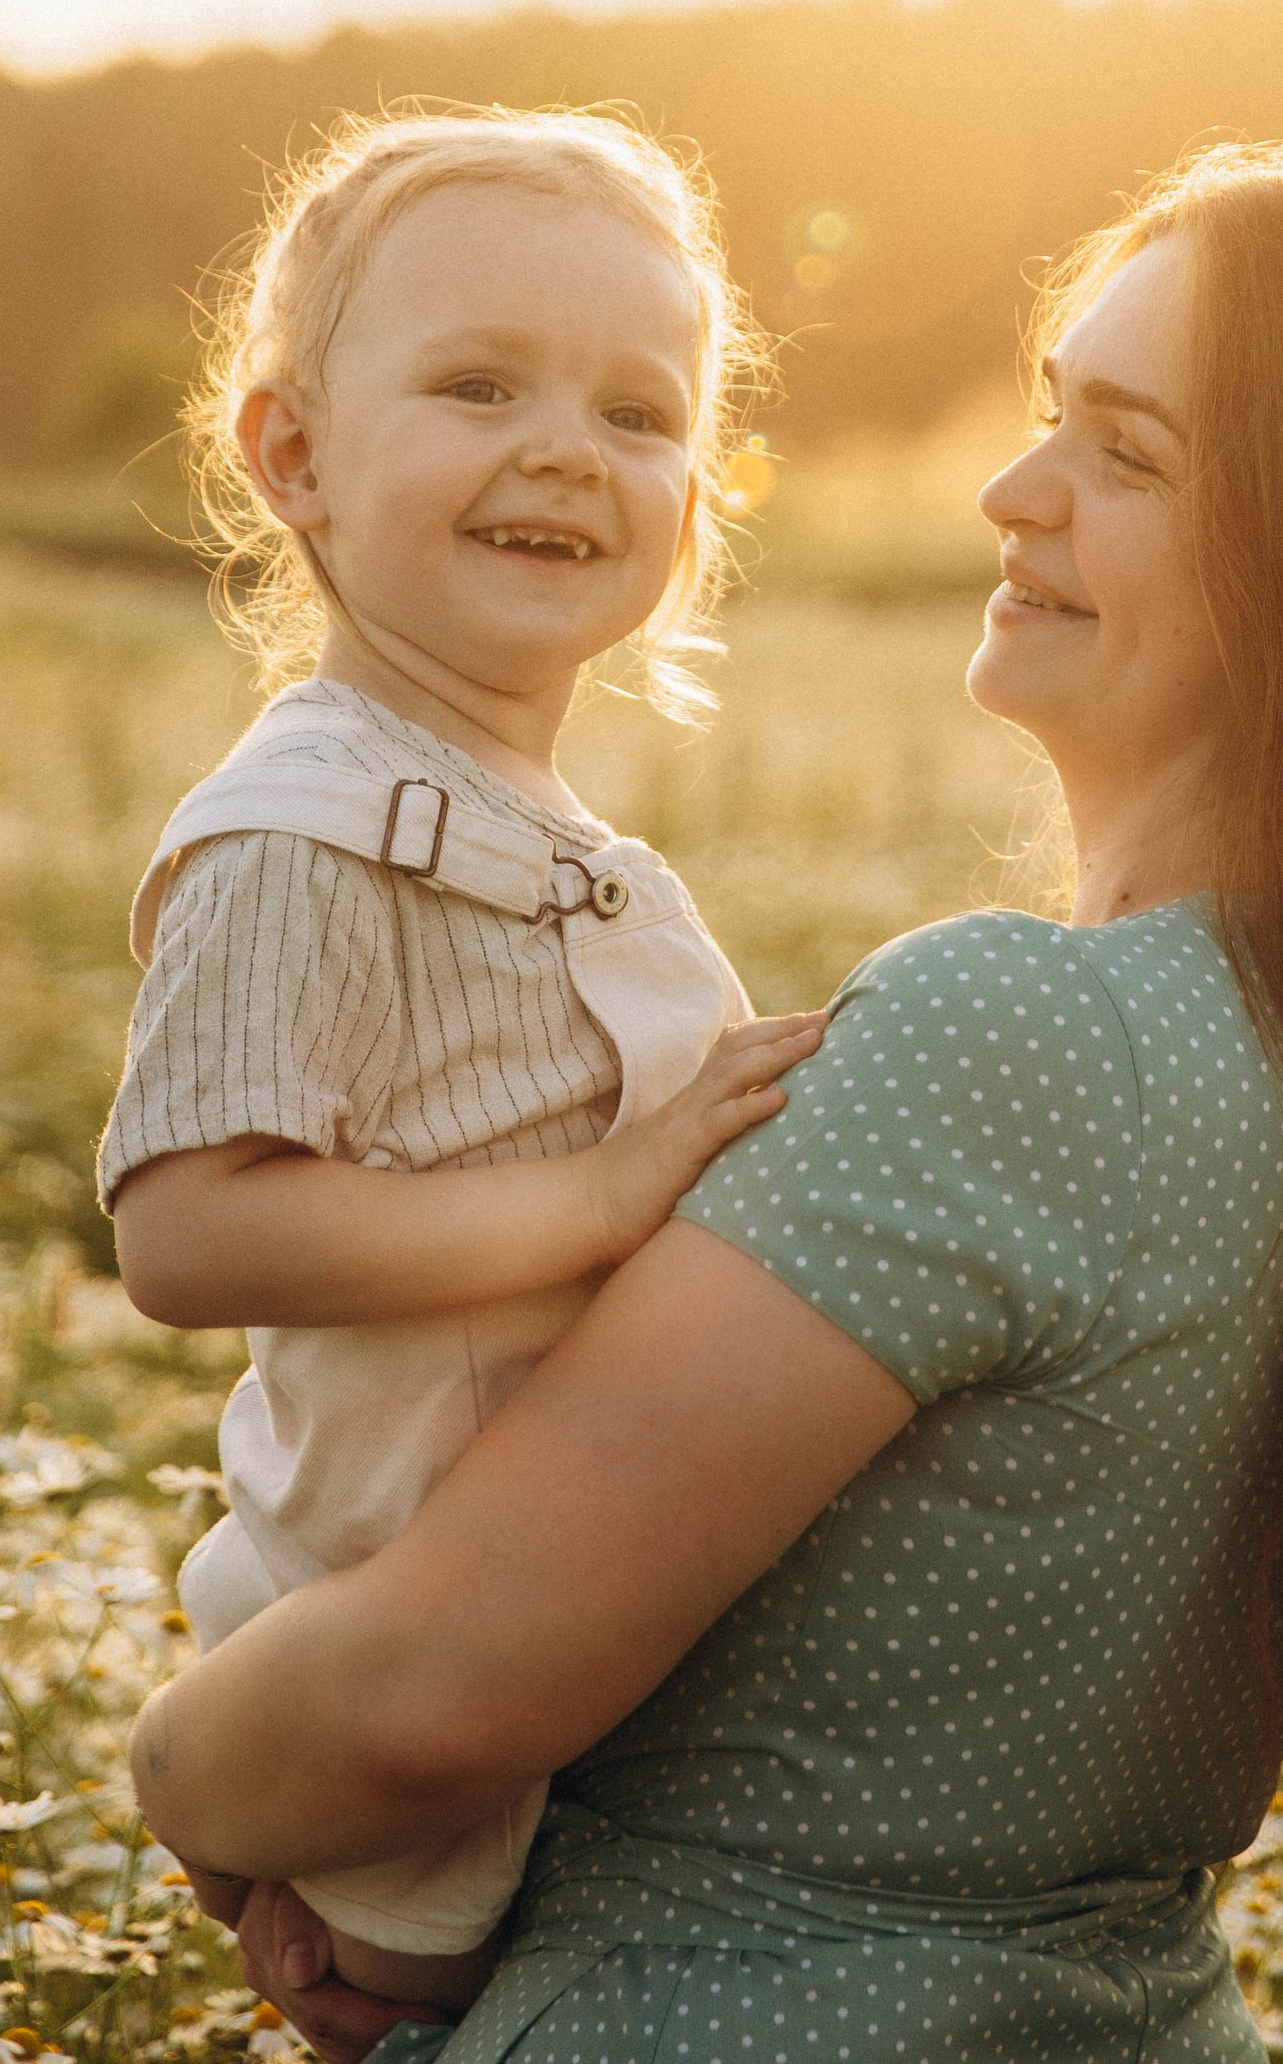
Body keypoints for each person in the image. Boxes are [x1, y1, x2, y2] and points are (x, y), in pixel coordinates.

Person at [130, 134, 1283, 2063]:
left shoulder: (1029, 1041)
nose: (1008, 489)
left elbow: (413, 1707)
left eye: (1125, 451)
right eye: (1056, 415)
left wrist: (184, 1774)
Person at [101, 106, 826, 2016]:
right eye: (480, 383)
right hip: (413, 1636)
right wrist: (597, 1197)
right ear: (294, 455)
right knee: (429, 2001)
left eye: (639, 413)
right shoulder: (300, 832)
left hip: (541, 1591)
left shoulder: (534, 822)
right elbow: (186, 1238)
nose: (567, 451)